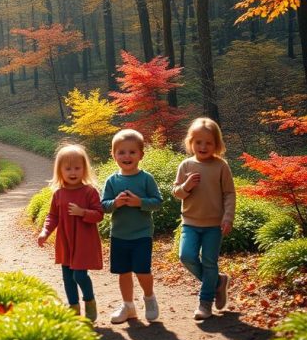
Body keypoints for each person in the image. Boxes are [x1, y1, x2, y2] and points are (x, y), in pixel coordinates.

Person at [172, 117, 236, 321]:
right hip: (190, 222)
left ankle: (205, 302)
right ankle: (218, 282)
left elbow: (229, 193)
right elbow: (177, 193)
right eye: (198, 142)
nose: (203, 146)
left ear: (217, 144)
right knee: (186, 256)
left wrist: (228, 217)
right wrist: (186, 186)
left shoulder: (221, 166)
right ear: (191, 142)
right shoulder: (185, 165)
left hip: (214, 225)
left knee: (209, 263)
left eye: (208, 142)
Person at [101, 129, 162, 324]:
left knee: (142, 270)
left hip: (142, 234)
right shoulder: (112, 180)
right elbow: (103, 206)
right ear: (114, 155)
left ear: (141, 155)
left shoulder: (146, 178)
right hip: (119, 234)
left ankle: (149, 298)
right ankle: (128, 306)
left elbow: (158, 202)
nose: (127, 156)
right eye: (121, 152)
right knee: (123, 272)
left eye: (132, 152)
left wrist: (140, 203)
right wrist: (115, 203)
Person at [37, 143, 104, 321]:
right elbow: (53, 216)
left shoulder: (90, 192)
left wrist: (83, 212)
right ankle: (73, 309)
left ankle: (89, 301)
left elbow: (99, 215)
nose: (73, 172)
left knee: (79, 275)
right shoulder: (59, 194)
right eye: (68, 168)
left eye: (77, 168)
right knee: (67, 277)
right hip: (65, 241)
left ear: (84, 169)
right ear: (60, 171)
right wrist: (45, 232)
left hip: (83, 241)